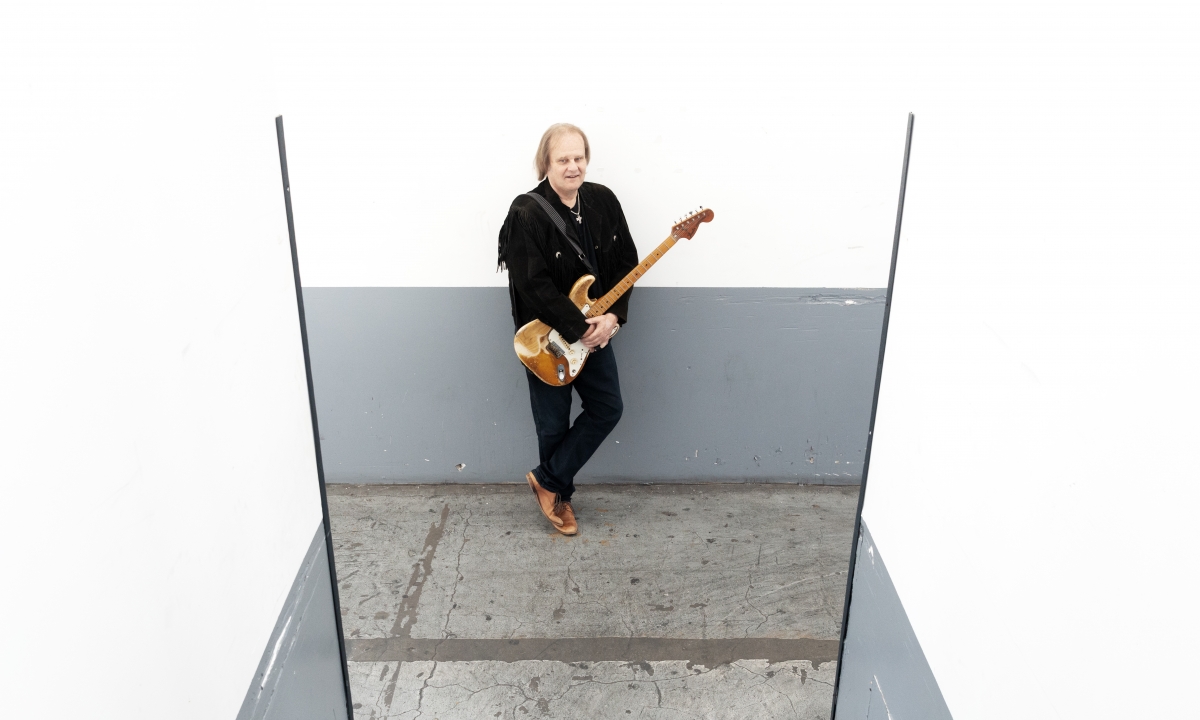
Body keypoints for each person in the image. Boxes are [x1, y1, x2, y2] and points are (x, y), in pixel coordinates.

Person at [497, 123, 639, 535]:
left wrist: (612, 318)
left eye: (579, 158)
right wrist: (580, 328)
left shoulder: (603, 200)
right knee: (553, 423)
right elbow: (533, 286)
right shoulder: (525, 213)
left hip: (596, 331)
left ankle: (548, 480)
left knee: (608, 408)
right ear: (546, 163)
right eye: (563, 159)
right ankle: (561, 497)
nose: (573, 166)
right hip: (547, 340)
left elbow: (626, 263)